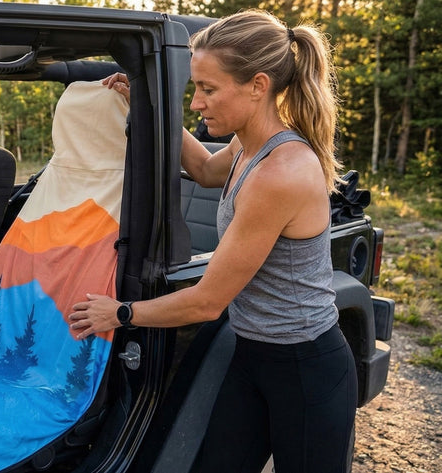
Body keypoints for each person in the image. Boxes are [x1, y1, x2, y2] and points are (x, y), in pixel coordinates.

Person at [70, 9, 357, 473]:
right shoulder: (247, 144)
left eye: (208, 89)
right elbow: (203, 169)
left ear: (258, 85)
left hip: (304, 369)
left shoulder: (280, 172)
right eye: (194, 88)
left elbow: (207, 303)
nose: (198, 102)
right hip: (252, 355)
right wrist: (147, 102)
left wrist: (121, 313)